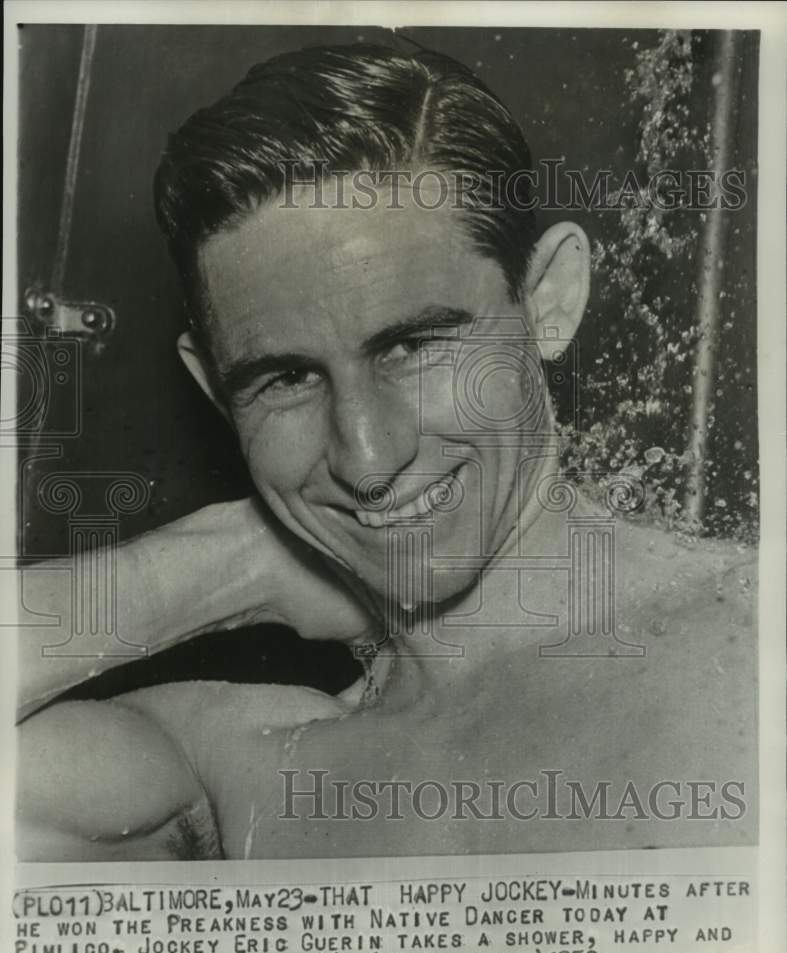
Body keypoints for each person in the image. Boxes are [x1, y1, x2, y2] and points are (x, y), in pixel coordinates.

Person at [16, 44, 756, 861]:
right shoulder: (226, 765)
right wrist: (230, 564)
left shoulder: (752, 643)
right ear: (214, 388)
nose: (366, 458)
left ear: (548, 297)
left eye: (410, 345)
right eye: (286, 378)